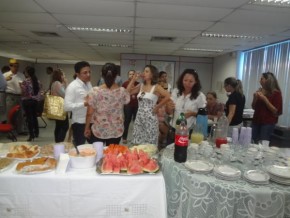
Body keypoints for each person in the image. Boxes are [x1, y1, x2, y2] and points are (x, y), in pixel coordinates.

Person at [84, 63, 130, 145]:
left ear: (101, 74)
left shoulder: (94, 91)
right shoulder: (122, 91)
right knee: (112, 154)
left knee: (98, 154)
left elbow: (89, 113)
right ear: (116, 75)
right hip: (116, 130)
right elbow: (126, 101)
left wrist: (87, 128)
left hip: (99, 129)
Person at [126, 65, 171, 145]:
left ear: (152, 74)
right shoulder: (141, 85)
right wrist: (133, 80)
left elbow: (168, 96)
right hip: (139, 118)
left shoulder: (156, 87)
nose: (144, 73)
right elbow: (127, 92)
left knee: (150, 145)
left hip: (150, 119)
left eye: (146, 71)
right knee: (138, 143)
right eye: (144, 71)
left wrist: (157, 106)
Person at [64, 61, 92, 146]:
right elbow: (66, 107)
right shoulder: (72, 87)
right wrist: (84, 104)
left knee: (93, 147)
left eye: (89, 72)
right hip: (79, 123)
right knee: (79, 148)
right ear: (77, 74)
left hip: (90, 120)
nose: (88, 75)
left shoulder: (88, 84)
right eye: (85, 73)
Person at [251, 72, 283, 143]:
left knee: (263, 144)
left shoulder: (276, 93)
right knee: (253, 142)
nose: (259, 80)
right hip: (256, 121)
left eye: (262, 79)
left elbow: (275, 111)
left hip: (267, 123)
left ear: (268, 80)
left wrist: (265, 99)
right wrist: (255, 98)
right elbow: (253, 107)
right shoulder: (260, 91)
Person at [19, 66, 42, 141]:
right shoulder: (37, 81)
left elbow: (23, 93)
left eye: (25, 72)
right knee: (34, 117)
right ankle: (36, 132)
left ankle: (31, 135)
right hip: (35, 102)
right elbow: (39, 92)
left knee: (29, 118)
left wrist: (20, 86)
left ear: (27, 73)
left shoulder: (25, 81)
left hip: (27, 101)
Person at [3, 59, 26, 133]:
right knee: (10, 114)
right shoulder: (5, 75)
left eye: (17, 66)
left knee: (20, 114)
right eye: (14, 66)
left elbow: (25, 85)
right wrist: (5, 80)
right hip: (10, 96)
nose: (16, 68)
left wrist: (23, 87)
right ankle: (9, 131)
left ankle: (20, 130)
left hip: (20, 96)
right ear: (10, 66)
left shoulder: (21, 75)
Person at [50, 69, 69, 143]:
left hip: (57, 107)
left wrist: (64, 84)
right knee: (64, 126)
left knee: (58, 125)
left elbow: (61, 91)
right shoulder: (57, 83)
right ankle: (59, 142)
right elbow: (65, 95)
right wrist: (66, 83)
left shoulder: (54, 83)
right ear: (59, 76)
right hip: (60, 108)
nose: (64, 76)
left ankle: (57, 141)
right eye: (63, 75)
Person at [121, 70, 139, 144]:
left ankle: (136, 138)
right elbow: (123, 95)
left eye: (133, 74)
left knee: (137, 122)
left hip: (137, 105)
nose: (131, 75)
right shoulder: (125, 84)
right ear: (128, 75)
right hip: (128, 105)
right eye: (130, 74)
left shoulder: (138, 84)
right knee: (127, 121)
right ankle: (124, 138)